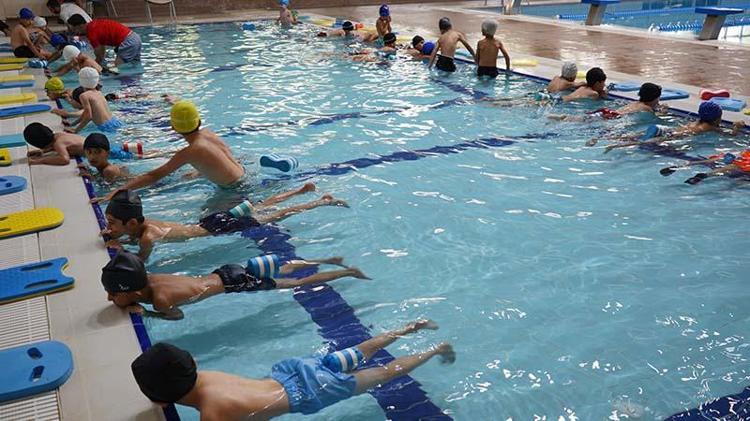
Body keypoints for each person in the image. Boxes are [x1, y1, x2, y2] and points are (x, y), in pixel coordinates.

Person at [130, 322, 454, 418]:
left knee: (385, 373)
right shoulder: (207, 377)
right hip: (295, 371)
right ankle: (412, 327)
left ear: (161, 399)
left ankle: (435, 349)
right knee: (360, 350)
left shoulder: (213, 414)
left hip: (313, 391)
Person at [101, 249, 370, 320]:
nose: (110, 299)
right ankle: (328, 259)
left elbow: (177, 315)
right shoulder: (150, 277)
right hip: (224, 271)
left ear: (133, 292)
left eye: (113, 293)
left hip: (235, 282)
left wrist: (147, 313)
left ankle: (347, 273)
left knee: (295, 282)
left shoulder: (160, 299)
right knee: (284, 268)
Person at [102, 185, 349, 260]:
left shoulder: (147, 237)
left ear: (131, 223)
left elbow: (141, 260)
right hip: (211, 221)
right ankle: (301, 191)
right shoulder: (144, 223)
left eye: (112, 222)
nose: (110, 227)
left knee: (275, 215)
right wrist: (119, 235)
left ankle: (320, 202)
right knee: (261, 206)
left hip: (218, 227)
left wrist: (120, 247)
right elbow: (131, 234)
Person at [92, 101, 246, 203]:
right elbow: (223, 157)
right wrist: (202, 172)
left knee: (205, 219)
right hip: (245, 176)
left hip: (234, 191)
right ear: (199, 121)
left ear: (173, 128)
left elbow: (153, 176)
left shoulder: (190, 151)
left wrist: (117, 191)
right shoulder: (208, 133)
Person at [602, 102, 746, 153]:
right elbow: (730, 135)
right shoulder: (710, 127)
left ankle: (616, 140)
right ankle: (618, 145)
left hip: (664, 129)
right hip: (671, 135)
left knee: (637, 136)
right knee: (643, 142)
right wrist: (737, 127)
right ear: (716, 118)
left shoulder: (697, 122)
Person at [23, 123, 162, 166]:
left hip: (105, 152)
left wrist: (39, 161)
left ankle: (164, 154)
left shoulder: (59, 143)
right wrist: (43, 152)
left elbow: (64, 159)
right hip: (106, 146)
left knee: (141, 157)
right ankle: (163, 152)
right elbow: (59, 149)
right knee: (142, 154)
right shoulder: (59, 136)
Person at [552, 82, 663, 127]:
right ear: (654, 98)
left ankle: (562, 117)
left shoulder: (636, 103)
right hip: (611, 116)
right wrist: (662, 112)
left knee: (582, 119)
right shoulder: (646, 108)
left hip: (606, 111)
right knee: (583, 121)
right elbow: (655, 116)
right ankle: (563, 118)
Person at [79, 133, 170, 182]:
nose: (92, 156)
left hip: (149, 184)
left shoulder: (108, 171)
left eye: (98, 152)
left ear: (108, 153)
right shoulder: (106, 168)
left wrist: (92, 179)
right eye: (89, 152)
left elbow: (108, 191)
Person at [67, 15, 142, 67]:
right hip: (135, 37)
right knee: (135, 65)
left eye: (73, 29)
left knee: (117, 68)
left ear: (80, 26)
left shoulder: (91, 33)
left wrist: (94, 67)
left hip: (127, 41)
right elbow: (101, 50)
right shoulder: (93, 24)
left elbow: (99, 55)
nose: (72, 31)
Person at [65, 67, 123, 134]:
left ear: (81, 81)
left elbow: (88, 117)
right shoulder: (99, 92)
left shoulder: (84, 96)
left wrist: (76, 130)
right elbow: (85, 114)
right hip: (115, 122)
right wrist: (72, 124)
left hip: (105, 127)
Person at [679, 150, 750, 184]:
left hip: (737, 163)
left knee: (731, 167)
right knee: (738, 179)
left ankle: (705, 175)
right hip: (743, 169)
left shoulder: (744, 153)